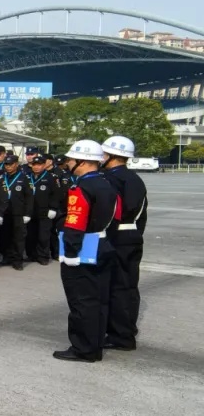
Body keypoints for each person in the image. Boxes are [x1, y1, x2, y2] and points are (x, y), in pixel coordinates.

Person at [55, 140, 118, 363]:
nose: (68, 163)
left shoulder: (81, 187)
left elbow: (75, 221)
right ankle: (95, 344)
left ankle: (84, 348)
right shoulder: (106, 183)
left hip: (83, 248)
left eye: (71, 159)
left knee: (81, 301)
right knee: (98, 300)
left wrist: (71, 252)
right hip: (102, 243)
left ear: (82, 162)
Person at [100, 135, 147, 352]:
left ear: (110, 156)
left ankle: (121, 335)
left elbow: (111, 211)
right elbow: (140, 215)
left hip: (117, 238)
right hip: (130, 237)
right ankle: (124, 330)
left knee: (118, 288)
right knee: (126, 286)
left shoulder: (111, 180)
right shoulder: (134, 179)